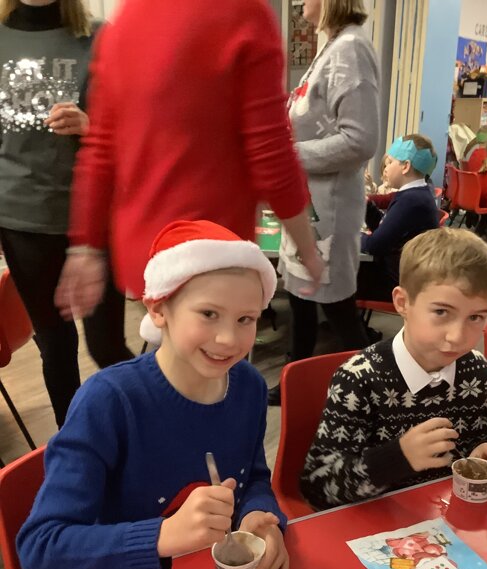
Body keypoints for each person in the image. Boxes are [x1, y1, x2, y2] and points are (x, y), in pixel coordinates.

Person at [17, 220, 289, 569]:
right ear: (158, 310)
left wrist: (259, 514)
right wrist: (164, 535)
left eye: (246, 319)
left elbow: (252, 476)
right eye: (209, 314)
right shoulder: (108, 401)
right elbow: (40, 548)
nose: (228, 338)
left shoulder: (250, 387)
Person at [55, 0, 323, 325]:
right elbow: (270, 150)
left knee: (171, 351)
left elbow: (100, 149)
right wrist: (306, 247)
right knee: (214, 351)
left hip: (145, 253)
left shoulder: (126, 20)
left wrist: (85, 246)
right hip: (212, 248)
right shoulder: (243, 14)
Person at [301, 227, 487, 511]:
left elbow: (480, 438)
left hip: (446, 515)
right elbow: (318, 487)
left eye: (475, 317)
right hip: (376, 518)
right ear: (403, 302)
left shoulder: (480, 374)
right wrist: (399, 457)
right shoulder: (357, 380)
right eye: (441, 312)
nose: (457, 336)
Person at [0, 0, 133, 428]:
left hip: (94, 219)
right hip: (22, 220)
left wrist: (90, 125)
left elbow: (135, 130)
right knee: (55, 345)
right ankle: (75, 445)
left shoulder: (99, 37)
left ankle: (139, 434)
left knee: (107, 345)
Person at [270, 0, 380, 406]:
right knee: (301, 301)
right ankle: (293, 383)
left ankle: (374, 395)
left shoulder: (350, 49)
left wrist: (288, 156)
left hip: (329, 212)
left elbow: (360, 140)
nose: (300, 1)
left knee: (337, 311)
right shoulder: (331, 47)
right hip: (308, 205)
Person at [356, 134, 439, 303]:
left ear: (405, 166)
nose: (386, 168)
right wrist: (367, 206)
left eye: (390, 162)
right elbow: (386, 229)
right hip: (400, 275)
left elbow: (374, 245)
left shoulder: (411, 200)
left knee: (338, 275)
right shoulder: (416, 194)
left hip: (395, 283)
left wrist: (350, 236)